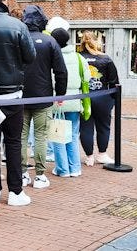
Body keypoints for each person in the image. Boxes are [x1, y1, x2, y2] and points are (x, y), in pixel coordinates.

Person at [0, 0, 36, 206]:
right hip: (12, 94)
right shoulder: (18, 26)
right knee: (13, 143)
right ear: (6, 2)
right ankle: (15, 192)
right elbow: (30, 57)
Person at [20, 6, 67, 189]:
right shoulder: (50, 42)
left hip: (21, 96)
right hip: (43, 96)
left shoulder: (18, 40)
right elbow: (60, 71)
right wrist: (60, 94)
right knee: (41, 137)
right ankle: (39, 176)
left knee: (21, 136)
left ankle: (23, 173)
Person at [49, 27, 89, 178]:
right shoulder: (79, 58)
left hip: (57, 100)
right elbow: (86, 78)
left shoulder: (53, 56)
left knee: (57, 133)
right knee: (72, 134)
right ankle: (75, 168)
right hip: (74, 100)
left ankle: (62, 169)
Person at [78, 31, 119, 165]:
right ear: (97, 42)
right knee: (103, 126)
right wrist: (113, 100)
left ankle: (89, 156)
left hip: (84, 97)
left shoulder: (78, 58)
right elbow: (114, 82)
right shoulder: (106, 59)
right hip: (103, 96)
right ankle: (102, 154)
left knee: (85, 127)